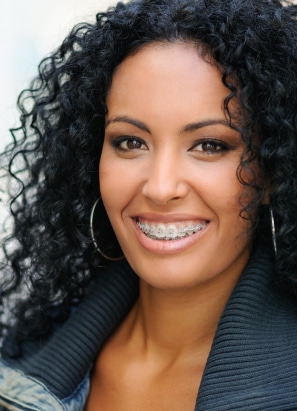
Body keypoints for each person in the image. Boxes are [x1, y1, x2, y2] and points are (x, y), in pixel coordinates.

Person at [1, 0, 297, 409]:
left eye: (210, 145)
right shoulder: (18, 356)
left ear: (273, 170)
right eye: (130, 142)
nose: (160, 188)